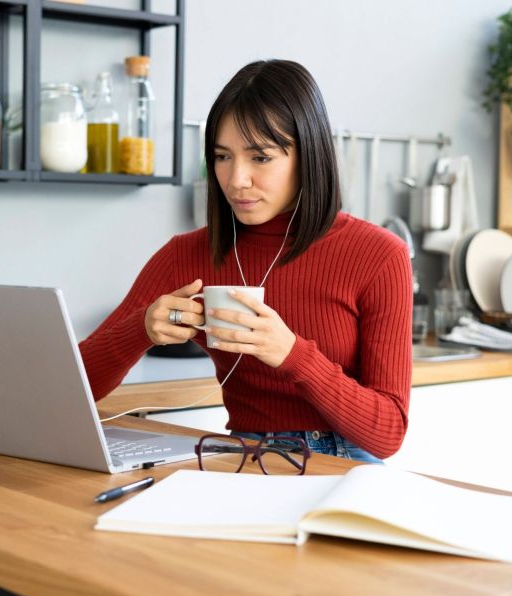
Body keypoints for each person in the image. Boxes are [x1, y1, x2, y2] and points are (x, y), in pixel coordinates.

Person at [79, 59, 412, 462]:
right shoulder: (186, 254)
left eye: (260, 158)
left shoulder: (379, 255)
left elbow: (388, 432)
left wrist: (291, 353)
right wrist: (140, 329)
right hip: (240, 456)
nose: (236, 179)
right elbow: (72, 387)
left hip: (345, 463)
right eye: (222, 156)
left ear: (308, 156)